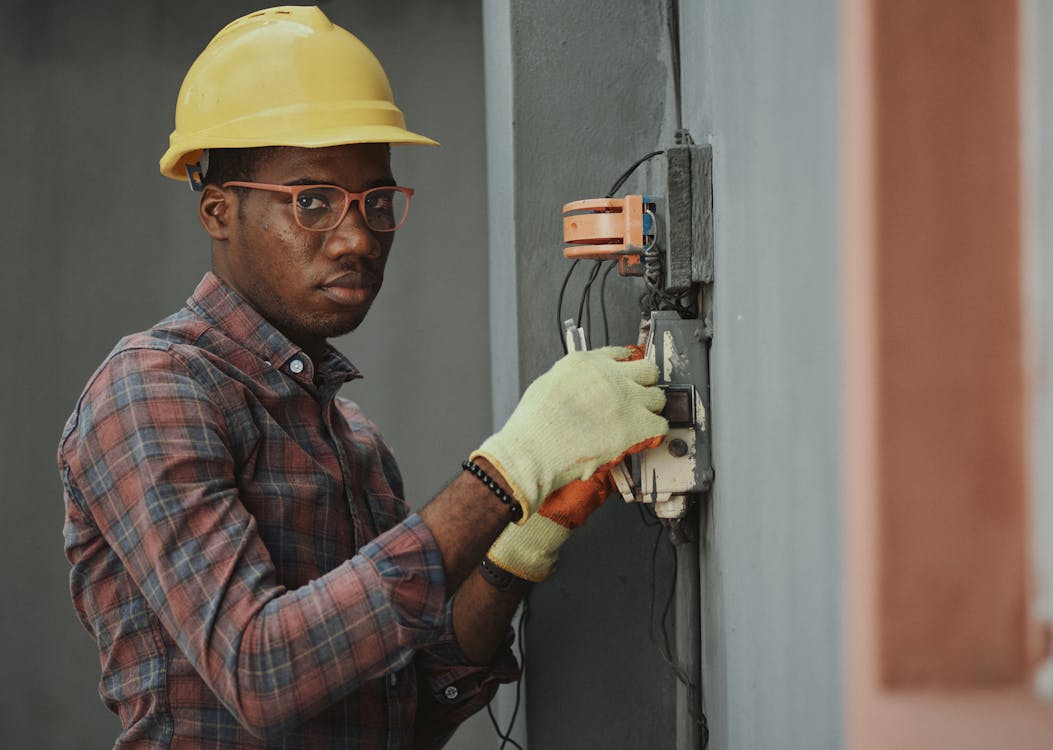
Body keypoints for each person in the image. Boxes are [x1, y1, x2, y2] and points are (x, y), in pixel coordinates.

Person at [57, 6, 668, 749]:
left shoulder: (355, 445)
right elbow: (264, 673)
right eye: (311, 202)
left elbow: (412, 710)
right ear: (219, 211)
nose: (357, 238)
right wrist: (507, 472)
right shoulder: (153, 393)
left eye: (376, 202)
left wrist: (519, 547)